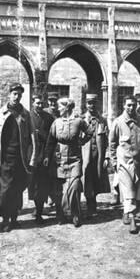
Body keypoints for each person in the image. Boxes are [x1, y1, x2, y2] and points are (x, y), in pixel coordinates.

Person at [0, 83, 36, 232]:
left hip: (20, 157)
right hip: (5, 157)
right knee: (5, 188)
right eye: (14, 94)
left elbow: (32, 136)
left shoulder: (25, 113)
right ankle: (5, 219)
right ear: (9, 94)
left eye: (19, 94)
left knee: (18, 187)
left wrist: (32, 157)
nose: (17, 97)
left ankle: (15, 217)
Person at [44, 97, 94, 228]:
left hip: (74, 160)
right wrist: (47, 157)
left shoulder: (78, 121)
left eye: (61, 106)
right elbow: (50, 141)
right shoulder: (56, 122)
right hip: (59, 160)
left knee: (75, 187)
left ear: (67, 107)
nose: (58, 108)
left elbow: (90, 132)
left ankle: (76, 214)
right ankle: (61, 214)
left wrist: (82, 142)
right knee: (58, 190)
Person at [109, 95, 140, 234]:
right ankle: (133, 219)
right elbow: (112, 144)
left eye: (133, 105)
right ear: (123, 106)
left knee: (136, 190)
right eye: (128, 105)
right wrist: (114, 161)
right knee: (129, 191)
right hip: (124, 162)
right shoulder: (118, 122)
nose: (131, 108)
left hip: (139, 162)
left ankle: (126, 212)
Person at [81, 93, 111, 217]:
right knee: (87, 180)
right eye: (89, 103)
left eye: (93, 103)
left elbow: (108, 139)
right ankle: (90, 206)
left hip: (99, 156)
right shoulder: (82, 119)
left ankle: (93, 205)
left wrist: (107, 156)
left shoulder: (102, 120)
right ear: (85, 104)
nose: (91, 105)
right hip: (85, 156)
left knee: (97, 180)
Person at [28, 94, 56, 224]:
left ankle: (39, 212)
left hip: (44, 155)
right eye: (37, 103)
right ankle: (35, 207)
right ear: (32, 103)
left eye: (41, 103)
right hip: (31, 155)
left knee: (43, 184)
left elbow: (51, 139)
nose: (39, 105)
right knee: (32, 184)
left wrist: (47, 155)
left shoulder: (48, 118)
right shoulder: (27, 117)